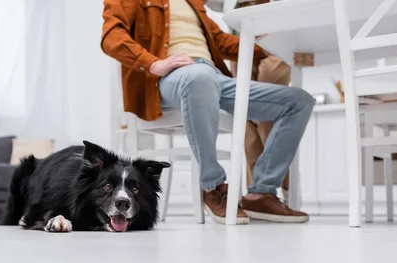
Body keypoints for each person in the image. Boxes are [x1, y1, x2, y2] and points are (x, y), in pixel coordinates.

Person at [101, 0, 313, 224]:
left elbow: (222, 41)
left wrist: (281, 49)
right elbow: (111, 36)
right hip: (169, 78)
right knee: (199, 77)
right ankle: (212, 186)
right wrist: (154, 64)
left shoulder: (192, 3)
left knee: (298, 101)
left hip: (213, 77)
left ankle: (261, 192)